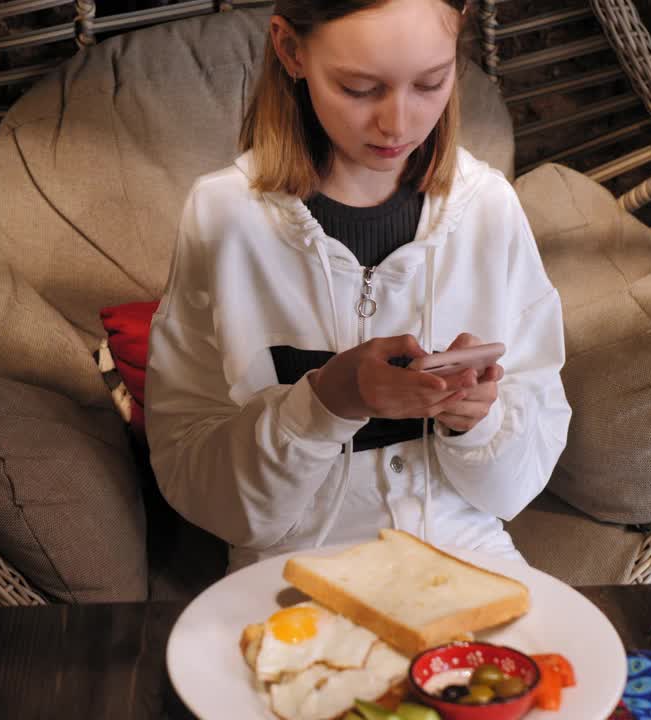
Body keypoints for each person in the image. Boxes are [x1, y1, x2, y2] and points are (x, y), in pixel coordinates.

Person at [145, 0, 571, 572]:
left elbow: (518, 483)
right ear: (291, 51)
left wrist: (477, 421)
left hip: (467, 562)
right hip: (287, 573)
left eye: (430, 82)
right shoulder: (223, 217)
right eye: (359, 88)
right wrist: (325, 402)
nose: (398, 124)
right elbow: (192, 474)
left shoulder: (489, 209)